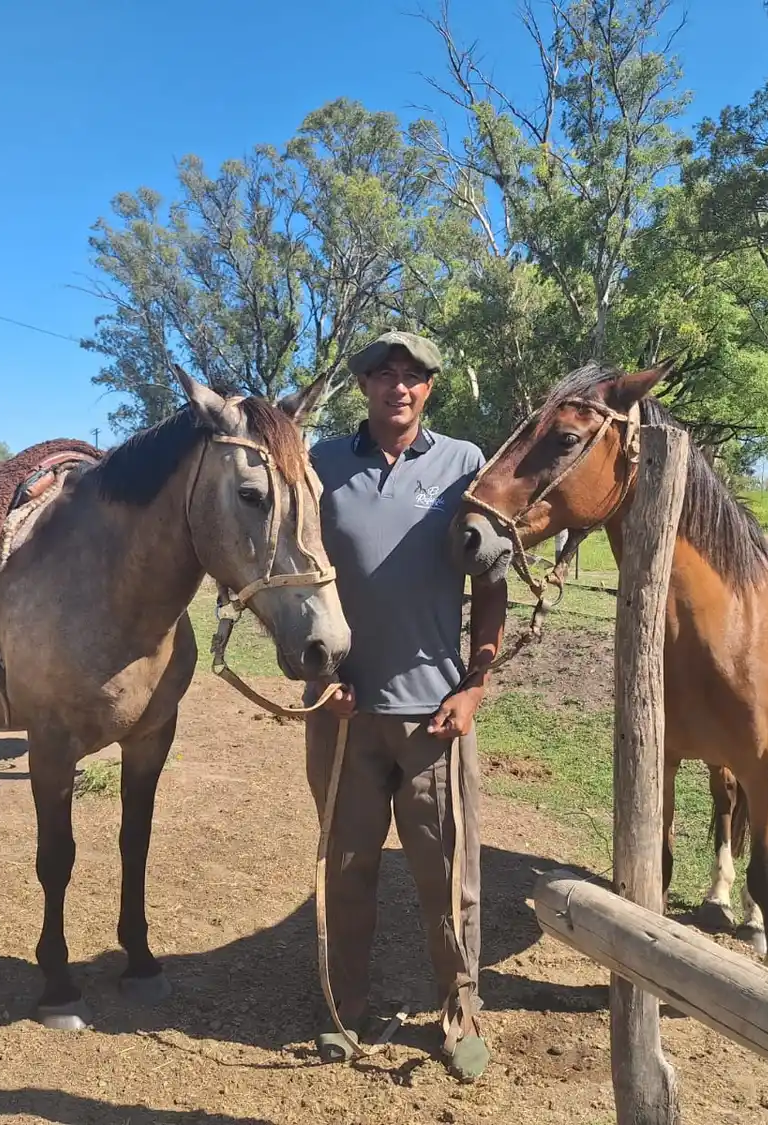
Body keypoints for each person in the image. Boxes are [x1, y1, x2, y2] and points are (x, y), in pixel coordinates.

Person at [304, 329, 506, 1082]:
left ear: (430, 389)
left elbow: (490, 586)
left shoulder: (464, 465)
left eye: (413, 375)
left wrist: (474, 687)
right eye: (384, 373)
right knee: (347, 867)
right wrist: (320, 676)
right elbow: (292, 575)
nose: (399, 385)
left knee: (449, 878)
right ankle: (343, 1011)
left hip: (435, 720)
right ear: (362, 385)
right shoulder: (322, 465)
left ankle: (459, 1017)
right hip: (343, 715)